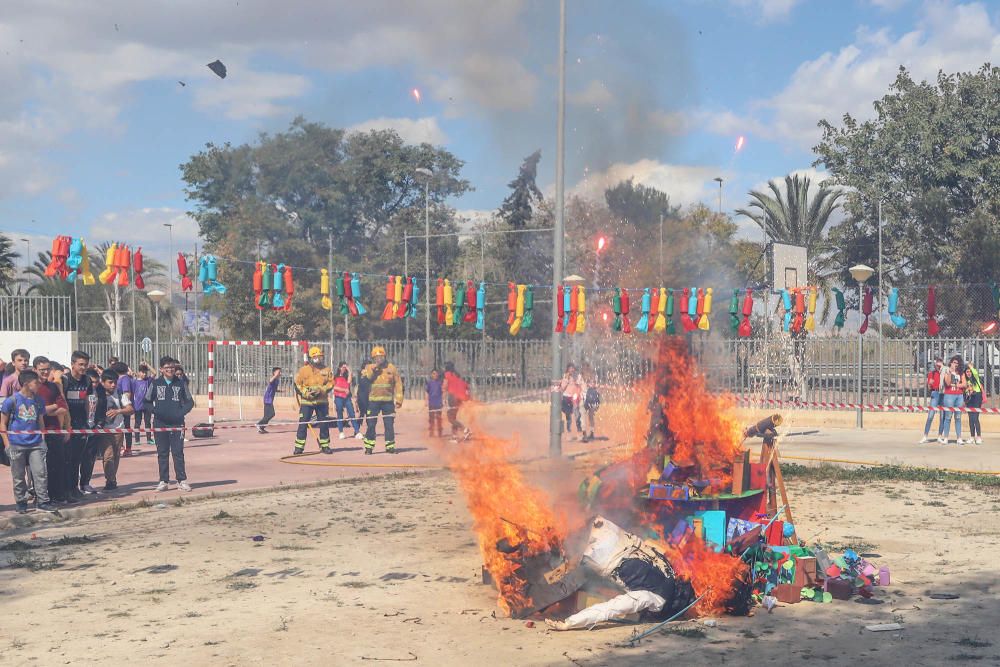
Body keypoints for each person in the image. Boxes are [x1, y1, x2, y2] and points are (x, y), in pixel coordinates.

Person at [1, 370, 56, 513]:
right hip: (16, 444)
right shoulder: (12, 401)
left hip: (36, 444)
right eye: (36, 382)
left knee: (40, 473)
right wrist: (7, 444)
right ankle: (21, 502)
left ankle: (43, 501)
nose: (38, 385)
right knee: (18, 475)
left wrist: (42, 439)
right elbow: (3, 423)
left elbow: (41, 420)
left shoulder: (39, 400)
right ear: (26, 383)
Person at [145, 356, 195, 491]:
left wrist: (181, 412)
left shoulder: (181, 383)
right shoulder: (155, 384)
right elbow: (146, 401)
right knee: (162, 452)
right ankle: (163, 481)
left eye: (172, 367)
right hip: (159, 423)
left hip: (177, 424)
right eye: (167, 367)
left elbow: (190, 402)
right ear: (161, 369)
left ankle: (182, 480)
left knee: (178, 452)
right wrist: (156, 412)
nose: (170, 370)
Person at [33, 356, 73, 504]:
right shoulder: (32, 387)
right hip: (37, 434)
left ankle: (58, 495)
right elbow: (33, 410)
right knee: (41, 469)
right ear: (35, 370)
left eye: (47, 369)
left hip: (55, 431)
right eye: (42, 369)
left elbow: (63, 407)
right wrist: (50, 409)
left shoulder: (53, 387)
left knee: (58, 464)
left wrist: (44, 411)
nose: (45, 372)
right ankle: (42, 497)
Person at [92, 370, 133, 492]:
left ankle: (112, 479)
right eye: (110, 382)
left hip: (118, 429)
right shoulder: (96, 393)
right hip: (104, 430)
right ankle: (110, 480)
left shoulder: (120, 393)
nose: (113, 385)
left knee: (115, 456)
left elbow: (130, 409)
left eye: (115, 382)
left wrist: (118, 411)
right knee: (108, 455)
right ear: (103, 382)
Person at [61, 350, 93, 501]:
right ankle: (65, 490)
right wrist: (65, 424)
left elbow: (86, 400)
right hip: (66, 424)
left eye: (85, 365)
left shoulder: (87, 381)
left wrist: (88, 420)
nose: (83, 367)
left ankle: (74, 488)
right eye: (80, 364)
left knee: (76, 459)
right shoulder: (64, 380)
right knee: (66, 458)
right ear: (72, 364)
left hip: (81, 424)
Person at [361, 346, 403, 455]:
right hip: (373, 401)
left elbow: (398, 384)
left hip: (388, 402)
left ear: (385, 356)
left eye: (381, 357)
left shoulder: (391, 368)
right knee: (371, 424)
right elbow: (367, 379)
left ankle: (390, 446)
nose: (379, 359)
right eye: (376, 357)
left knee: (389, 424)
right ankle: (369, 447)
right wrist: (375, 369)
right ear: (373, 358)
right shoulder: (369, 367)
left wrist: (399, 399)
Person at [293, 347, 334, 455]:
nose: (318, 359)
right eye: (315, 357)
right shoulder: (303, 370)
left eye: (319, 356)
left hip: (322, 402)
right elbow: (297, 384)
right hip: (307, 402)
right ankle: (299, 448)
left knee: (324, 424)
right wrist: (306, 393)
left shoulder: (327, 370)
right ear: (311, 358)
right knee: (303, 424)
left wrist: (321, 390)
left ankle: (325, 446)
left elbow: (331, 383)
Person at [77, 368, 106, 494]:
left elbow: (103, 408)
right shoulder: (81, 391)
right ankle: (73, 485)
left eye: (96, 382)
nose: (94, 384)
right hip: (81, 428)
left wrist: (99, 424)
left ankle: (85, 483)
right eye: (92, 382)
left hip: (94, 427)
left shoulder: (100, 392)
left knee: (89, 457)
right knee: (77, 457)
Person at [939, 355, 967, 445]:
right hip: (949, 396)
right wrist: (951, 372)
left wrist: (955, 385)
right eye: (954, 362)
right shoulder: (947, 372)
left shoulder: (961, 373)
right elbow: (947, 383)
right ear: (951, 363)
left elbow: (964, 384)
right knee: (948, 417)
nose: (955, 364)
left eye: (957, 363)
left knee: (958, 417)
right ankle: (946, 437)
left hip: (959, 396)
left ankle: (959, 438)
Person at [442, 361, 471, 442]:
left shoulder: (447, 375)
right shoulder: (457, 375)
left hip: (453, 397)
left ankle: (465, 429)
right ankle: (455, 436)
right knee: (453, 417)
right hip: (459, 398)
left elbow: (444, 387)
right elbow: (466, 387)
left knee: (450, 418)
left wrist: (443, 400)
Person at [332, 362, 361, 439]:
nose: (344, 369)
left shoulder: (346, 376)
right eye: (343, 367)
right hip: (338, 397)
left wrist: (350, 371)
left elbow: (349, 382)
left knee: (352, 413)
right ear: (339, 368)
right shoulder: (335, 377)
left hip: (347, 398)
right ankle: (341, 432)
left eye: (345, 367)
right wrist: (343, 390)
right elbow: (334, 387)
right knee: (339, 414)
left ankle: (357, 431)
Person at [129, 364, 154, 452]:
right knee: (137, 423)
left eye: (145, 373)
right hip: (137, 405)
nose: (144, 374)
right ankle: (137, 440)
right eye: (143, 372)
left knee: (147, 422)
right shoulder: (134, 382)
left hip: (147, 405)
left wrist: (147, 364)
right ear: (139, 372)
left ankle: (149, 439)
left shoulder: (148, 381)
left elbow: (154, 373)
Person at [920, 357, 944, 444]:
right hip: (935, 393)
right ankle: (925, 435)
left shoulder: (945, 372)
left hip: (943, 394)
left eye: (940, 362)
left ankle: (940, 436)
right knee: (930, 416)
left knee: (942, 417)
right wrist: (929, 384)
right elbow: (929, 387)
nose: (938, 364)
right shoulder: (932, 373)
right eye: (937, 362)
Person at [559, 363, 585, 439]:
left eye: (572, 368)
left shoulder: (577, 376)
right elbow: (562, 387)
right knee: (568, 417)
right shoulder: (565, 376)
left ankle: (579, 433)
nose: (571, 370)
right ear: (567, 369)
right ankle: (569, 433)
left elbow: (582, 385)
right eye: (570, 368)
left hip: (574, 397)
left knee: (577, 415)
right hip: (566, 397)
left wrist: (578, 382)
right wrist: (566, 379)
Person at [965, 362, 986, 445]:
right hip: (970, 398)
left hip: (977, 397)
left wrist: (971, 367)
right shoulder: (966, 380)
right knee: (970, 418)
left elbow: (975, 372)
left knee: (975, 418)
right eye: (967, 372)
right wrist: (967, 391)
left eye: (970, 371)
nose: (969, 373)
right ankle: (972, 436)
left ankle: (979, 437)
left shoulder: (975, 377)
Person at [257, 367, 281, 434]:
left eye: (280, 372)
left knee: (266, 416)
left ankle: (261, 428)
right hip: (267, 399)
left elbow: (274, 389)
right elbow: (270, 381)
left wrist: (281, 391)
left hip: (270, 400)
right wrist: (275, 376)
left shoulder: (277, 381)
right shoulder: (273, 379)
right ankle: (259, 424)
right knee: (271, 414)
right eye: (278, 372)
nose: (280, 373)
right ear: (274, 373)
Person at [581, 364, 600, 443]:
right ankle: (590, 433)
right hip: (591, 400)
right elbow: (597, 388)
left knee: (583, 416)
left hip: (586, 399)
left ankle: (585, 434)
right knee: (590, 417)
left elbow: (578, 386)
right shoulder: (593, 377)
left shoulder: (582, 377)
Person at [426, 368, 444, 438]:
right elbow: (427, 392)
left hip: (438, 403)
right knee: (431, 419)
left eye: (436, 373)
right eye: (433, 373)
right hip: (431, 403)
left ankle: (440, 433)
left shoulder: (440, 383)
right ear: (431, 375)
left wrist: (443, 401)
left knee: (439, 419)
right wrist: (426, 401)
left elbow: (442, 392)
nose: (435, 375)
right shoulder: (429, 383)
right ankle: (431, 432)